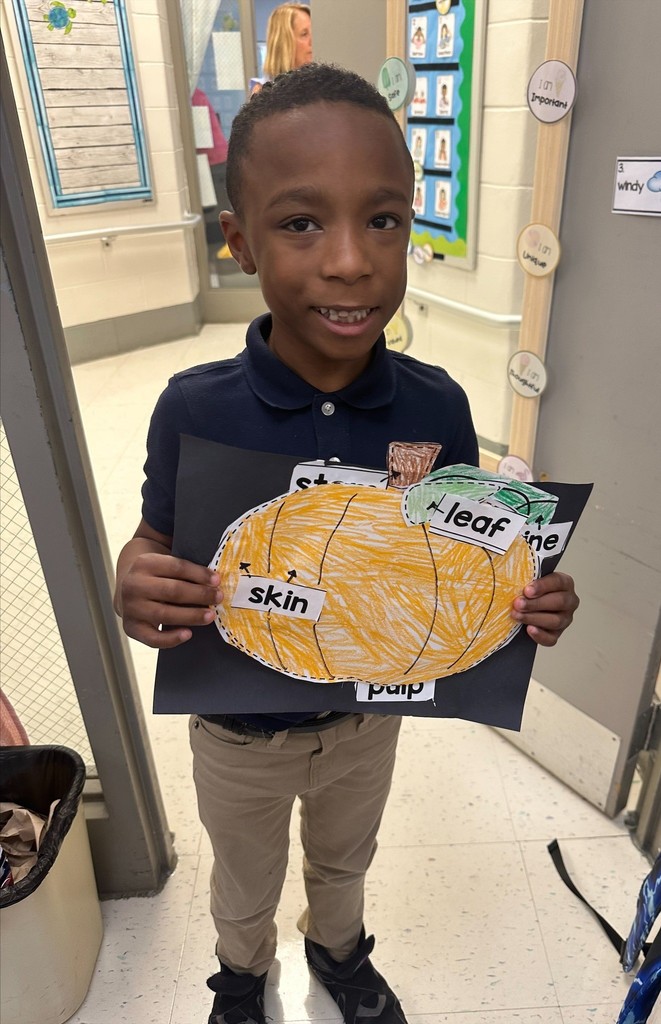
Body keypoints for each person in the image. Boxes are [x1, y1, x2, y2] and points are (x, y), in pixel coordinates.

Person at [114, 63, 580, 1024]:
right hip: (237, 731)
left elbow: (453, 553)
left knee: (345, 857)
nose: (349, 261)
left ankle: (339, 953)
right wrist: (138, 576)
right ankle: (240, 978)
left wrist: (529, 595)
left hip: (367, 722)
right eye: (299, 223)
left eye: (383, 220)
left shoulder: (434, 409)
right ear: (239, 242)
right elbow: (157, 539)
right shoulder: (194, 408)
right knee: (243, 873)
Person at [249, 3, 312, 93]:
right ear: (284, 43)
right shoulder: (264, 93)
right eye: (304, 34)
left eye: (313, 33)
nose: (312, 40)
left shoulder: (320, 85)